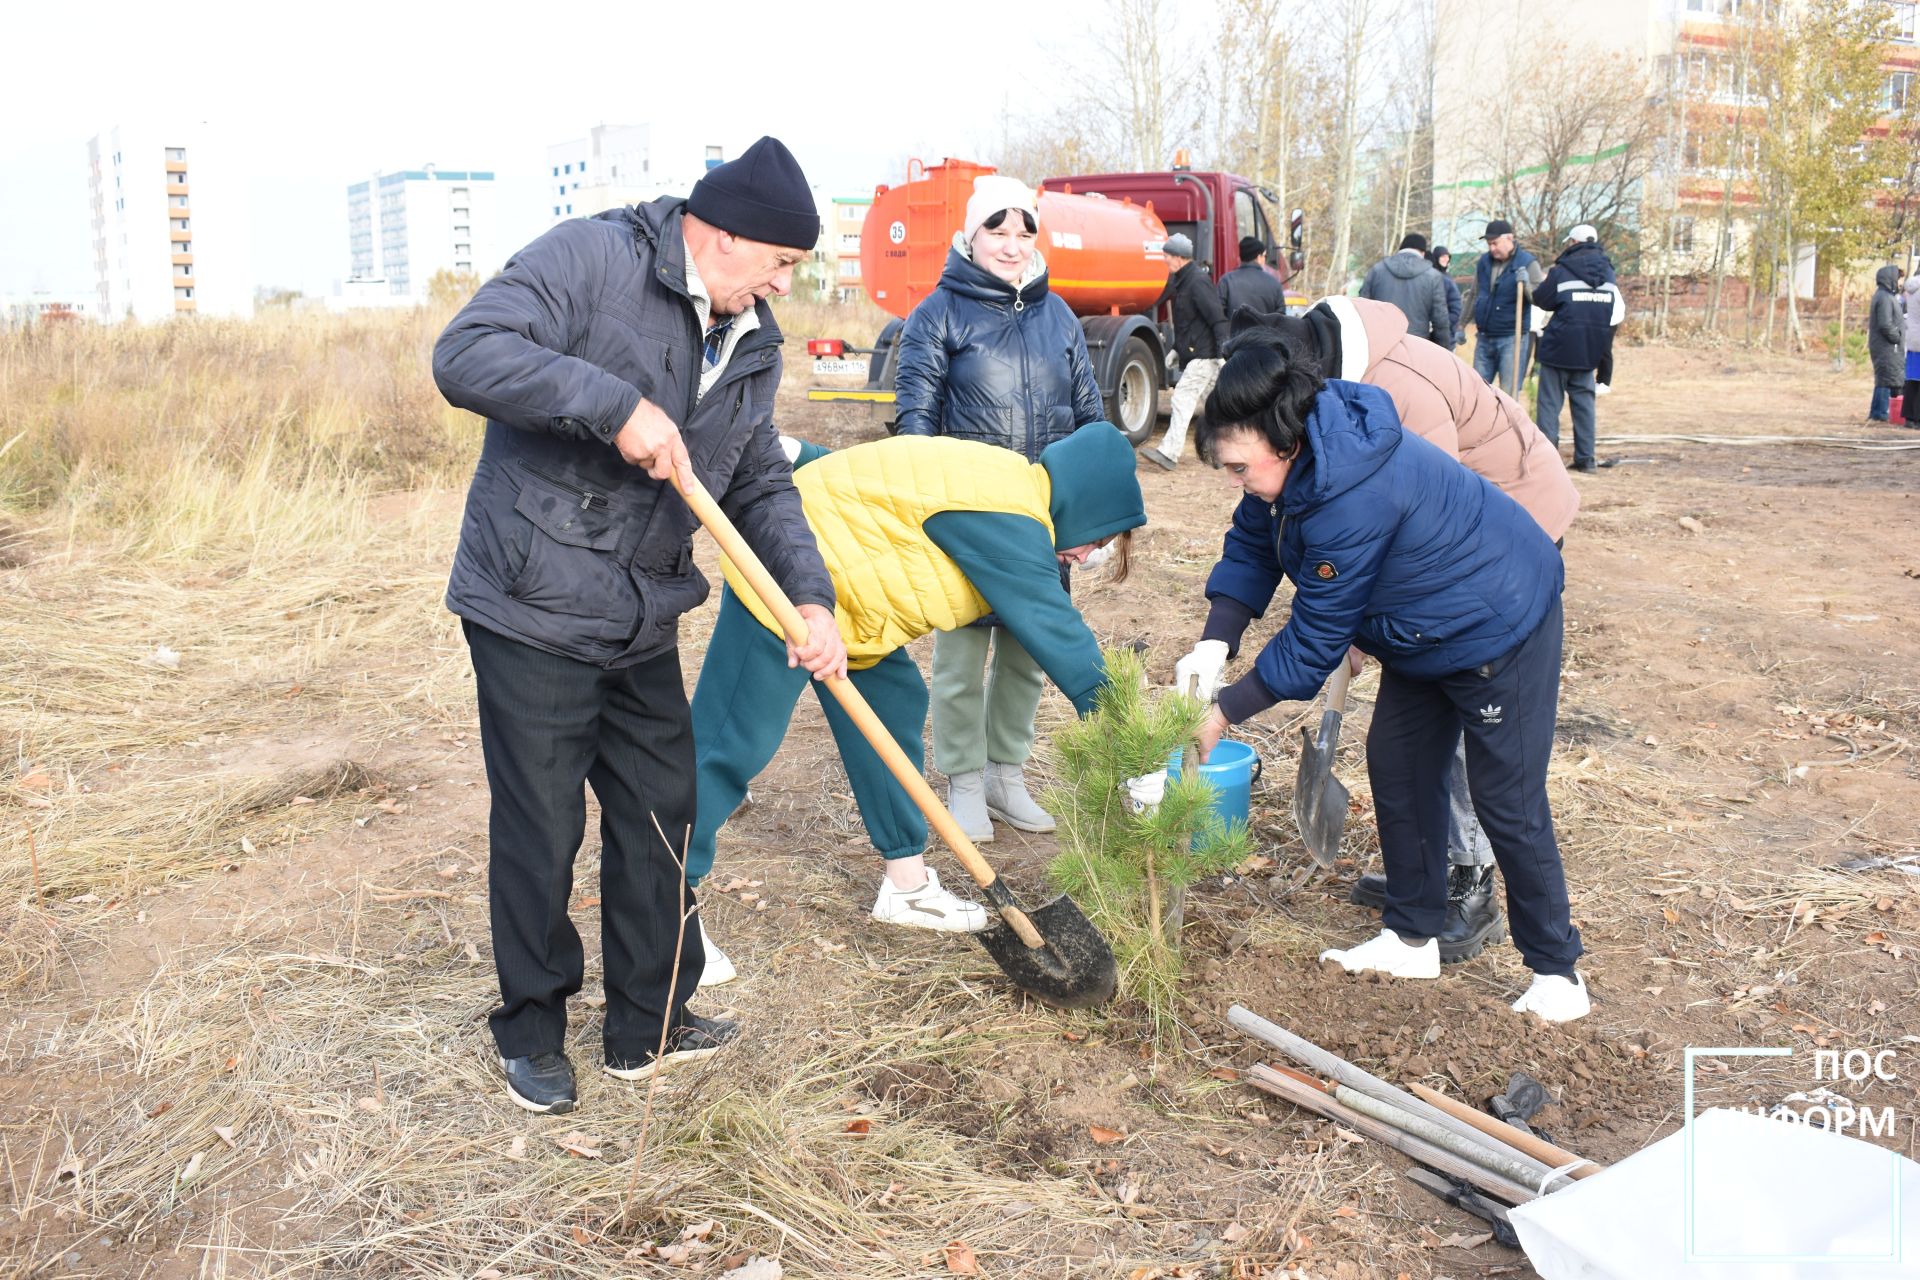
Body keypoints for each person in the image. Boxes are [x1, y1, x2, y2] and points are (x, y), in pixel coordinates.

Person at [432, 136, 847, 1114]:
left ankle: (646, 1022)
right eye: (782, 263)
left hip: (642, 606)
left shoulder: (754, 339)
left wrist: (808, 595)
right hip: (532, 594)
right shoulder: (592, 260)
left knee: (663, 809)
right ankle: (531, 1030)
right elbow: (467, 353)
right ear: (723, 234)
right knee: (542, 824)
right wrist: (613, 405)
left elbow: (756, 478)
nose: (787, 286)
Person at [1182, 329, 1588, 1022]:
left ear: (1282, 443)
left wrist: (1224, 710)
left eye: (1240, 467)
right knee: (1397, 763)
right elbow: (1253, 543)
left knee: (1505, 799)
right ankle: (1411, 936)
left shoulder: (1349, 493)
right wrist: (1216, 643)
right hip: (1424, 628)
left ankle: (1557, 973)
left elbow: (1314, 643)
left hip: (1498, 620)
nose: (1235, 481)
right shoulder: (1299, 454)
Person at [687, 428, 1147, 975]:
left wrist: (805, 454)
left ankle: (906, 885)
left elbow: (883, 477)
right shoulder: (1012, 519)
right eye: (1098, 540)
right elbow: (1059, 635)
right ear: (1087, 505)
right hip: (785, 577)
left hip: (855, 604)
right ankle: (664, 908)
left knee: (893, 705)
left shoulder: (1008, 484)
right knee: (730, 741)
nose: (1088, 556)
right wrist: (1132, 743)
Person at [894, 174, 1106, 845]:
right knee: (960, 663)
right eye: (997, 230)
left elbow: (1091, 425)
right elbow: (914, 425)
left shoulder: (1060, 317)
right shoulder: (938, 314)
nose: (1011, 246)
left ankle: (1003, 775)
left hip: (1038, 526)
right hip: (967, 522)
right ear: (971, 235)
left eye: (1023, 232)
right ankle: (960, 780)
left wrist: (1087, 519)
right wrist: (926, 517)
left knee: (1026, 657)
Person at [1141, 232, 1231, 470]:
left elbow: (1216, 318)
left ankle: (1169, 453)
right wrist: (1176, 350)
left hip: (1206, 355)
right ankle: (1227, 452)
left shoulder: (1197, 283)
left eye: (1167, 256)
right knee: (1216, 407)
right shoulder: (1184, 281)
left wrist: (1223, 353)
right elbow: (1189, 325)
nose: (1164, 260)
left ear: (1179, 258)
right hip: (1200, 353)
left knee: (1182, 398)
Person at [1532, 225, 1617, 472]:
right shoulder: (1609, 271)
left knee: (1549, 405)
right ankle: (1586, 460)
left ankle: (1547, 463)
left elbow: (1542, 300)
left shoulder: (1562, 270)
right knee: (1585, 408)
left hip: (1558, 347)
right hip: (1590, 348)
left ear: (1573, 243)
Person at [1472, 219, 1544, 393]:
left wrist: (1526, 284)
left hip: (1512, 338)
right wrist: (1461, 324)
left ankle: (1509, 421)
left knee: (1509, 393)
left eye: (1495, 243)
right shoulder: (1484, 262)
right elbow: (1475, 294)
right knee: (1476, 390)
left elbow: (1538, 298)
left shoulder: (1527, 263)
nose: (1492, 248)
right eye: (1489, 244)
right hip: (1484, 336)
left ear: (1509, 238)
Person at [1358, 232, 1450, 346]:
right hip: (1417, 345)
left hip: (1380, 344)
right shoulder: (1433, 276)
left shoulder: (1377, 270)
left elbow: (1361, 309)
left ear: (1401, 248)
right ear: (1423, 252)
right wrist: (1444, 349)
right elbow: (1440, 319)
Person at [1869, 264, 1905, 424]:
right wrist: (1896, 337)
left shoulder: (1885, 296)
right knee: (1886, 378)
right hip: (1886, 345)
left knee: (1885, 377)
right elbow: (1885, 324)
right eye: (1897, 279)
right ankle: (1880, 412)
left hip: (1886, 345)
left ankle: (1879, 411)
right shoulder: (1884, 298)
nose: (1898, 283)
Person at [1219, 235, 1287, 317]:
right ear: (1258, 257)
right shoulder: (1274, 283)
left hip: (1235, 329)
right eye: (1264, 256)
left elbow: (1218, 313)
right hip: (1264, 329)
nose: (1265, 260)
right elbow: (1280, 316)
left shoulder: (1226, 281)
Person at [1427, 245, 1465, 348]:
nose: (1446, 259)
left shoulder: (1447, 279)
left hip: (1445, 331)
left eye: (1447, 256)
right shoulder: (1430, 277)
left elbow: (1456, 307)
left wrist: (1444, 323)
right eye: (1442, 256)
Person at [1903, 271, 1920, 428]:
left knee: (1912, 379)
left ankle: (1909, 417)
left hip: (1913, 339)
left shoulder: (1913, 288)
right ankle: (1916, 418)